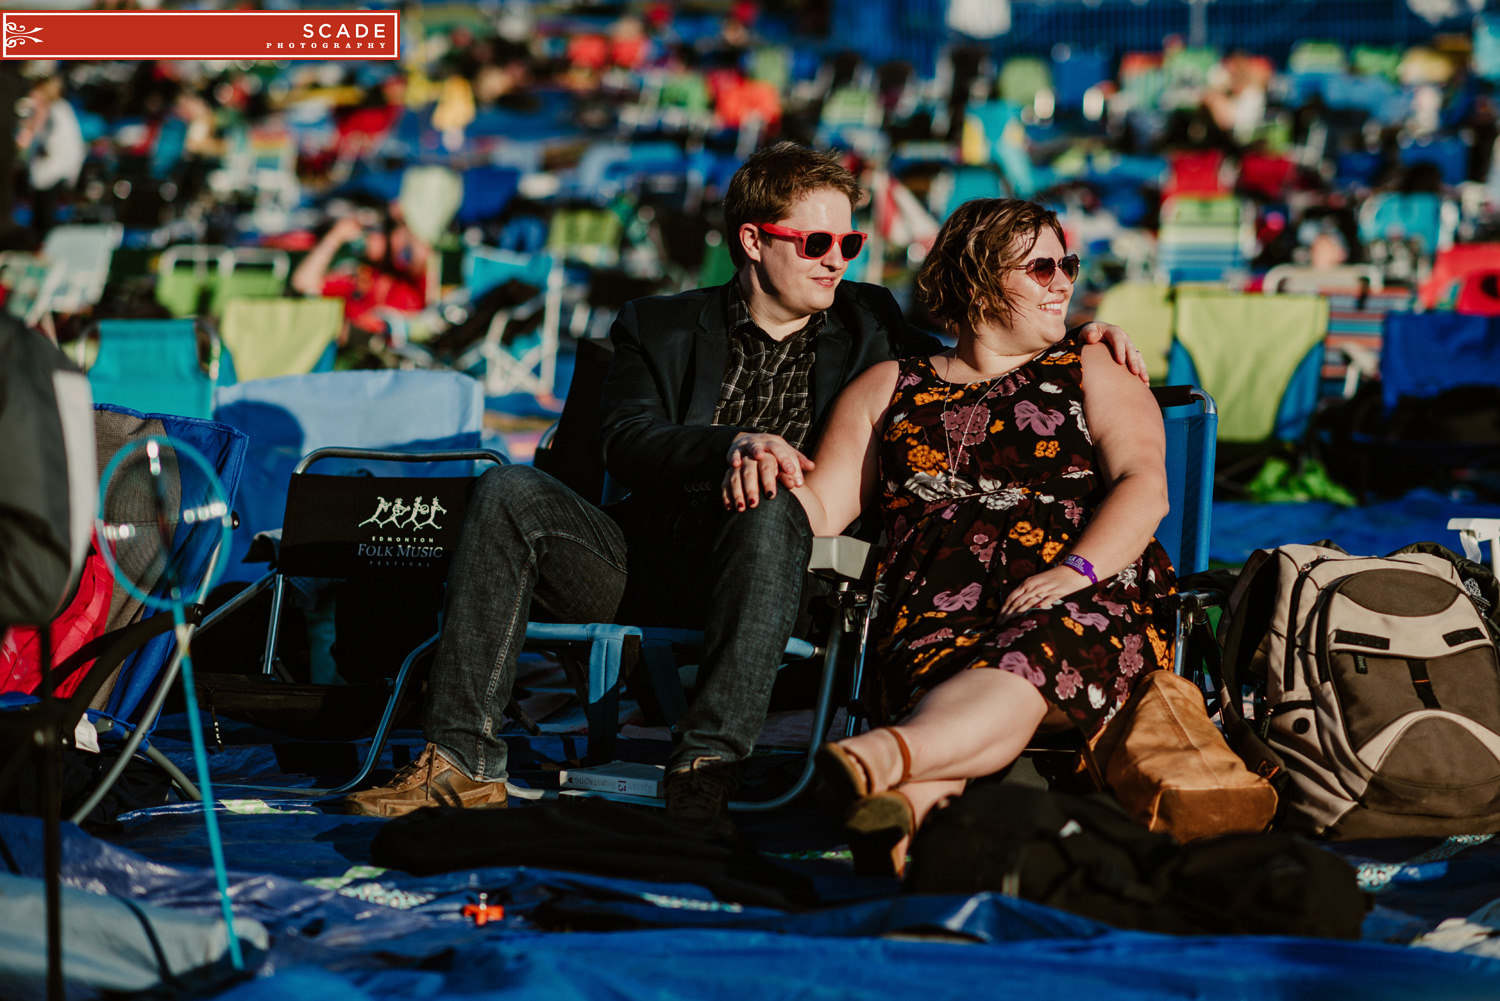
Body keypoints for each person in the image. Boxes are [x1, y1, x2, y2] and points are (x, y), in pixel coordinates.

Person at [342, 145, 1149, 822]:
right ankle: (459, 761)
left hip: (787, 567)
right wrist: (729, 443)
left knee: (769, 510)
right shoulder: (654, 325)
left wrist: (1078, 331)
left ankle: (705, 773)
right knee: (510, 491)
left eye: (851, 245)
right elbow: (627, 441)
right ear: (754, 241)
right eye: (817, 244)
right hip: (649, 558)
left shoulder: (869, 321)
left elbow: (984, 338)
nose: (837, 260)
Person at [728, 198, 1176, 872]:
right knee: (950, 681)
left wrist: (1075, 572)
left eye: (1069, 264)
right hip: (929, 608)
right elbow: (817, 513)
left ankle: (881, 756)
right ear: (976, 280)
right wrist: (758, 461)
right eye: (1042, 266)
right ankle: (903, 818)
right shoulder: (888, 388)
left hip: (1083, 601)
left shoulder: (1091, 373)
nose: (1065, 282)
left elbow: (1147, 487)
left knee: (1033, 645)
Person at [291, 202, 429, 334]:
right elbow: (304, 282)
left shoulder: (409, 289)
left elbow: (423, 253)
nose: (373, 235)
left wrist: (402, 222)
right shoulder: (361, 272)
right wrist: (335, 237)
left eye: (383, 232)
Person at [18, 75, 85, 238]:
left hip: (53, 172)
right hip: (48, 171)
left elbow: (57, 144)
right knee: (39, 218)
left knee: (45, 221)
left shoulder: (57, 111)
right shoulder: (50, 110)